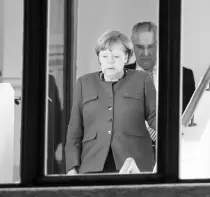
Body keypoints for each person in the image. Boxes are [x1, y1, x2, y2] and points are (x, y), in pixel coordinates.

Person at [65, 30, 156, 175]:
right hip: (92, 165)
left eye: (116, 56)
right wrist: (71, 168)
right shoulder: (84, 83)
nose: (110, 61)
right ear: (99, 59)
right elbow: (74, 131)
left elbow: (154, 117)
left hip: (134, 163)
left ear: (126, 58)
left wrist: (176, 130)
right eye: (105, 56)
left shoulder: (142, 79)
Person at [125, 21, 196, 139]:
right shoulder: (119, 76)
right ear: (132, 46)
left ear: (159, 45)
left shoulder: (184, 75)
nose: (146, 53)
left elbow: (189, 121)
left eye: (151, 46)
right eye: (140, 47)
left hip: (171, 150)